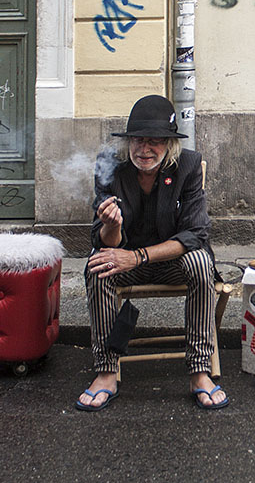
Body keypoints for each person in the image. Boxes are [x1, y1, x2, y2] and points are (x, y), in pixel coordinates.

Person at [75, 94, 227, 412]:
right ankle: (106, 371)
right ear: (128, 141)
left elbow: (195, 234)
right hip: (126, 261)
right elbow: (104, 242)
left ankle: (199, 371)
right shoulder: (111, 167)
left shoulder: (186, 166)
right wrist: (111, 226)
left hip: (172, 262)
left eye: (155, 141)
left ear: (169, 144)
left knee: (200, 261)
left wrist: (138, 256)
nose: (145, 149)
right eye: (138, 140)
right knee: (97, 265)